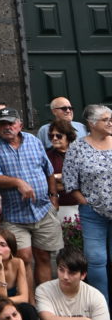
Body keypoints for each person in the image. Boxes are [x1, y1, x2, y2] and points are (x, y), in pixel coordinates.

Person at [0, 107, 61, 299]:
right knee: (23, 258)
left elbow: (49, 171)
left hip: (43, 209)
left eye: (11, 123)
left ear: (20, 124)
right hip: (15, 214)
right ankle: (29, 304)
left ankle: (44, 302)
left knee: (44, 256)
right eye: (2, 124)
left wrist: (53, 198)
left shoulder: (33, 141)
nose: (7, 127)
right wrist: (18, 182)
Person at [61, 103, 112, 303]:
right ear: (91, 123)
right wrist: (85, 202)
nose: (110, 123)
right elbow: (69, 180)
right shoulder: (78, 148)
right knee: (96, 259)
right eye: (105, 120)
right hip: (93, 213)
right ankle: (102, 306)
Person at [45, 120, 77, 209]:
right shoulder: (47, 156)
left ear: (68, 137)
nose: (54, 138)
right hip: (56, 204)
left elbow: (82, 179)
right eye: (51, 136)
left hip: (79, 203)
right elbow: (45, 182)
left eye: (59, 136)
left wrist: (56, 177)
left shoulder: (78, 154)